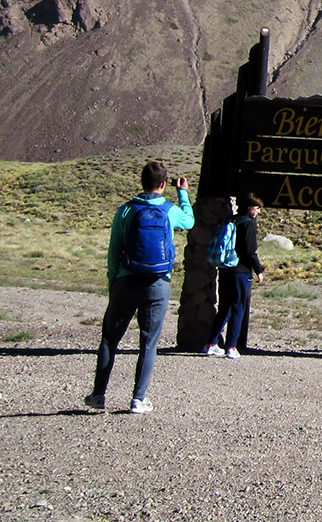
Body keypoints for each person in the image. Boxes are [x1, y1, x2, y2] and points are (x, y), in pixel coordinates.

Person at [86, 161, 196, 414]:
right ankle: (138, 398)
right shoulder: (170, 211)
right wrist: (183, 193)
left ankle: (99, 395)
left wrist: (113, 280)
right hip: (158, 284)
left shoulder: (125, 211)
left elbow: (115, 250)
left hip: (126, 280)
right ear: (163, 184)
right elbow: (189, 221)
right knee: (148, 342)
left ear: (141, 181)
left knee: (109, 341)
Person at [207, 194, 265, 358]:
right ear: (250, 208)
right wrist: (258, 270)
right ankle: (231, 346)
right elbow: (249, 251)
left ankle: (211, 344)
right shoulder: (249, 225)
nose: (258, 212)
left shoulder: (230, 220)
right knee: (238, 307)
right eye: (257, 208)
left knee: (224, 307)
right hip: (241, 271)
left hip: (225, 269)